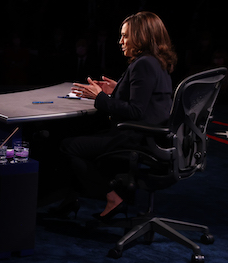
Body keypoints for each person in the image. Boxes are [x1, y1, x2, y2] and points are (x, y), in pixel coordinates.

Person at [55, 11, 177, 221]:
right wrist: (119, 88)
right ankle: (71, 200)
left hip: (136, 138)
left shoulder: (144, 64)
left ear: (142, 36)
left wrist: (100, 97)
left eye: (126, 36)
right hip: (149, 135)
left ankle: (112, 199)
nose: (120, 41)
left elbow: (136, 111)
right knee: (85, 135)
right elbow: (145, 98)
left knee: (69, 146)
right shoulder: (156, 61)